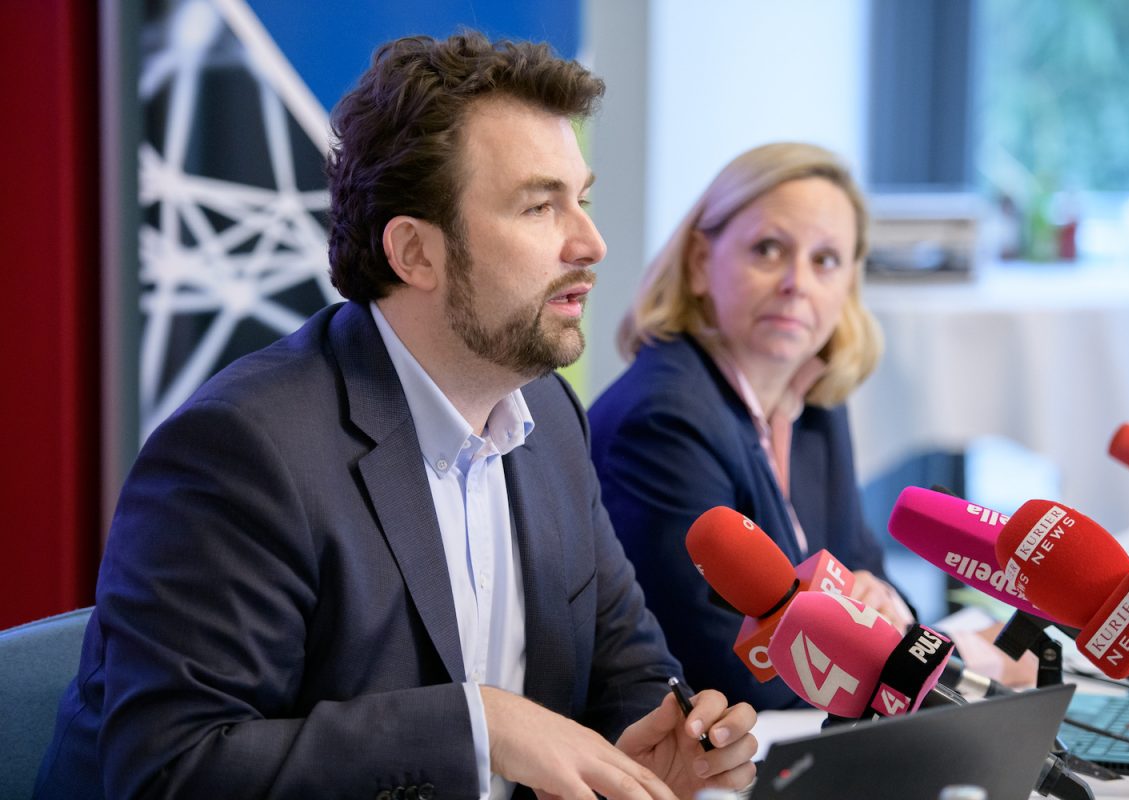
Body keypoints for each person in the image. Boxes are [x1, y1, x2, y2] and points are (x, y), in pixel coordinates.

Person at [35, 32, 756, 800]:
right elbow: (170, 770)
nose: (591, 242)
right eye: (539, 205)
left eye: (580, 198)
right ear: (415, 252)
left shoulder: (548, 415)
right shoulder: (243, 450)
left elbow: (624, 664)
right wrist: (478, 728)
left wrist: (665, 738)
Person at [588, 142, 915, 711]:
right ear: (698, 264)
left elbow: (868, 569)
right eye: (768, 249)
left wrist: (882, 601)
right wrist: (894, 658)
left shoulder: (814, 401)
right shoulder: (665, 419)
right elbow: (731, 671)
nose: (797, 283)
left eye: (826, 260)